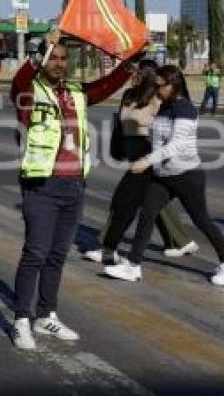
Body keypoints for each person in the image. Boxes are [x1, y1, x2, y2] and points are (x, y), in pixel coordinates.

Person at [9, 32, 140, 350]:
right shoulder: (29, 90)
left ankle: (46, 314)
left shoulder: (76, 92)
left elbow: (105, 86)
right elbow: (20, 78)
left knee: (57, 256)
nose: (58, 63)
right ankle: (21, 320)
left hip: (74, 185)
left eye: (62, 59)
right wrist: (43, 47)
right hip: (41, 184)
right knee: (35, 254)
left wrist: (129, 63)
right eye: (52, 58)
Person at [104, 65, 224, 286]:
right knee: (147, 214)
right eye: (156, 85)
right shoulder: (164, 107)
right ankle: (133, 265)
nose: (158, 90)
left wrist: (147, 160)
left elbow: (176, 145)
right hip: (164, 176)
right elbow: (156, 138)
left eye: (161, 86)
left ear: (174, 84)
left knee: (201, 220)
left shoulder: (185, 109)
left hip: (187, 175)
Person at [82, 59, 198, 265]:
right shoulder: (129, 95)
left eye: (135, 72)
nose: (131, 76)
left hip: (148, 156)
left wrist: (158, 153)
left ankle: (108, 248)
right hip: (133, 153)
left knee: (123, 200)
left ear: (146, 75)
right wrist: (117, 148)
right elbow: (121, 123)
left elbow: (168, 128)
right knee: (151, 203)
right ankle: (180, 241)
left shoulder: (157, 99)